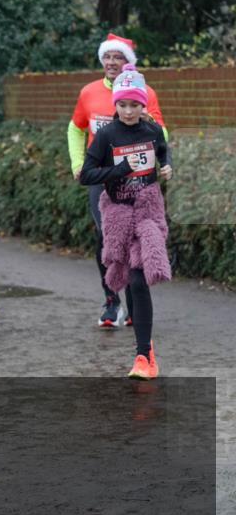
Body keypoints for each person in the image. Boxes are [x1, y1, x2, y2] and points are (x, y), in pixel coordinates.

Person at [68, 33, 167, 329]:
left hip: (138, 175)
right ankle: (111, 299)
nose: (111, 62)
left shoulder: (145, 91)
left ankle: (136, 301)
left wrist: (159, 161)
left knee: (137, 234)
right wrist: (77, 162)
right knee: (107, 235)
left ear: (129, 63)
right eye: (107, 57)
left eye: (118, 57)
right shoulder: (88, 92)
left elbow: (161, 132)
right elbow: (75, 128)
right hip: (104, 175)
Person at [79, 64, 172, 379]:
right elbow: (87, 175)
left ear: (143, 104)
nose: (129, 110)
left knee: (138, 280)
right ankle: (142, 346)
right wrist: (118, 170)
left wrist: (166, 165)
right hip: (118, 214)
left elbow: (163, 151)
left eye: (134, 104)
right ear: (115, 104)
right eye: (122, 104)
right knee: (122, 274)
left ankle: (144, 355)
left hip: (147, 212)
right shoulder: (107, 135)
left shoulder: (151, 130)